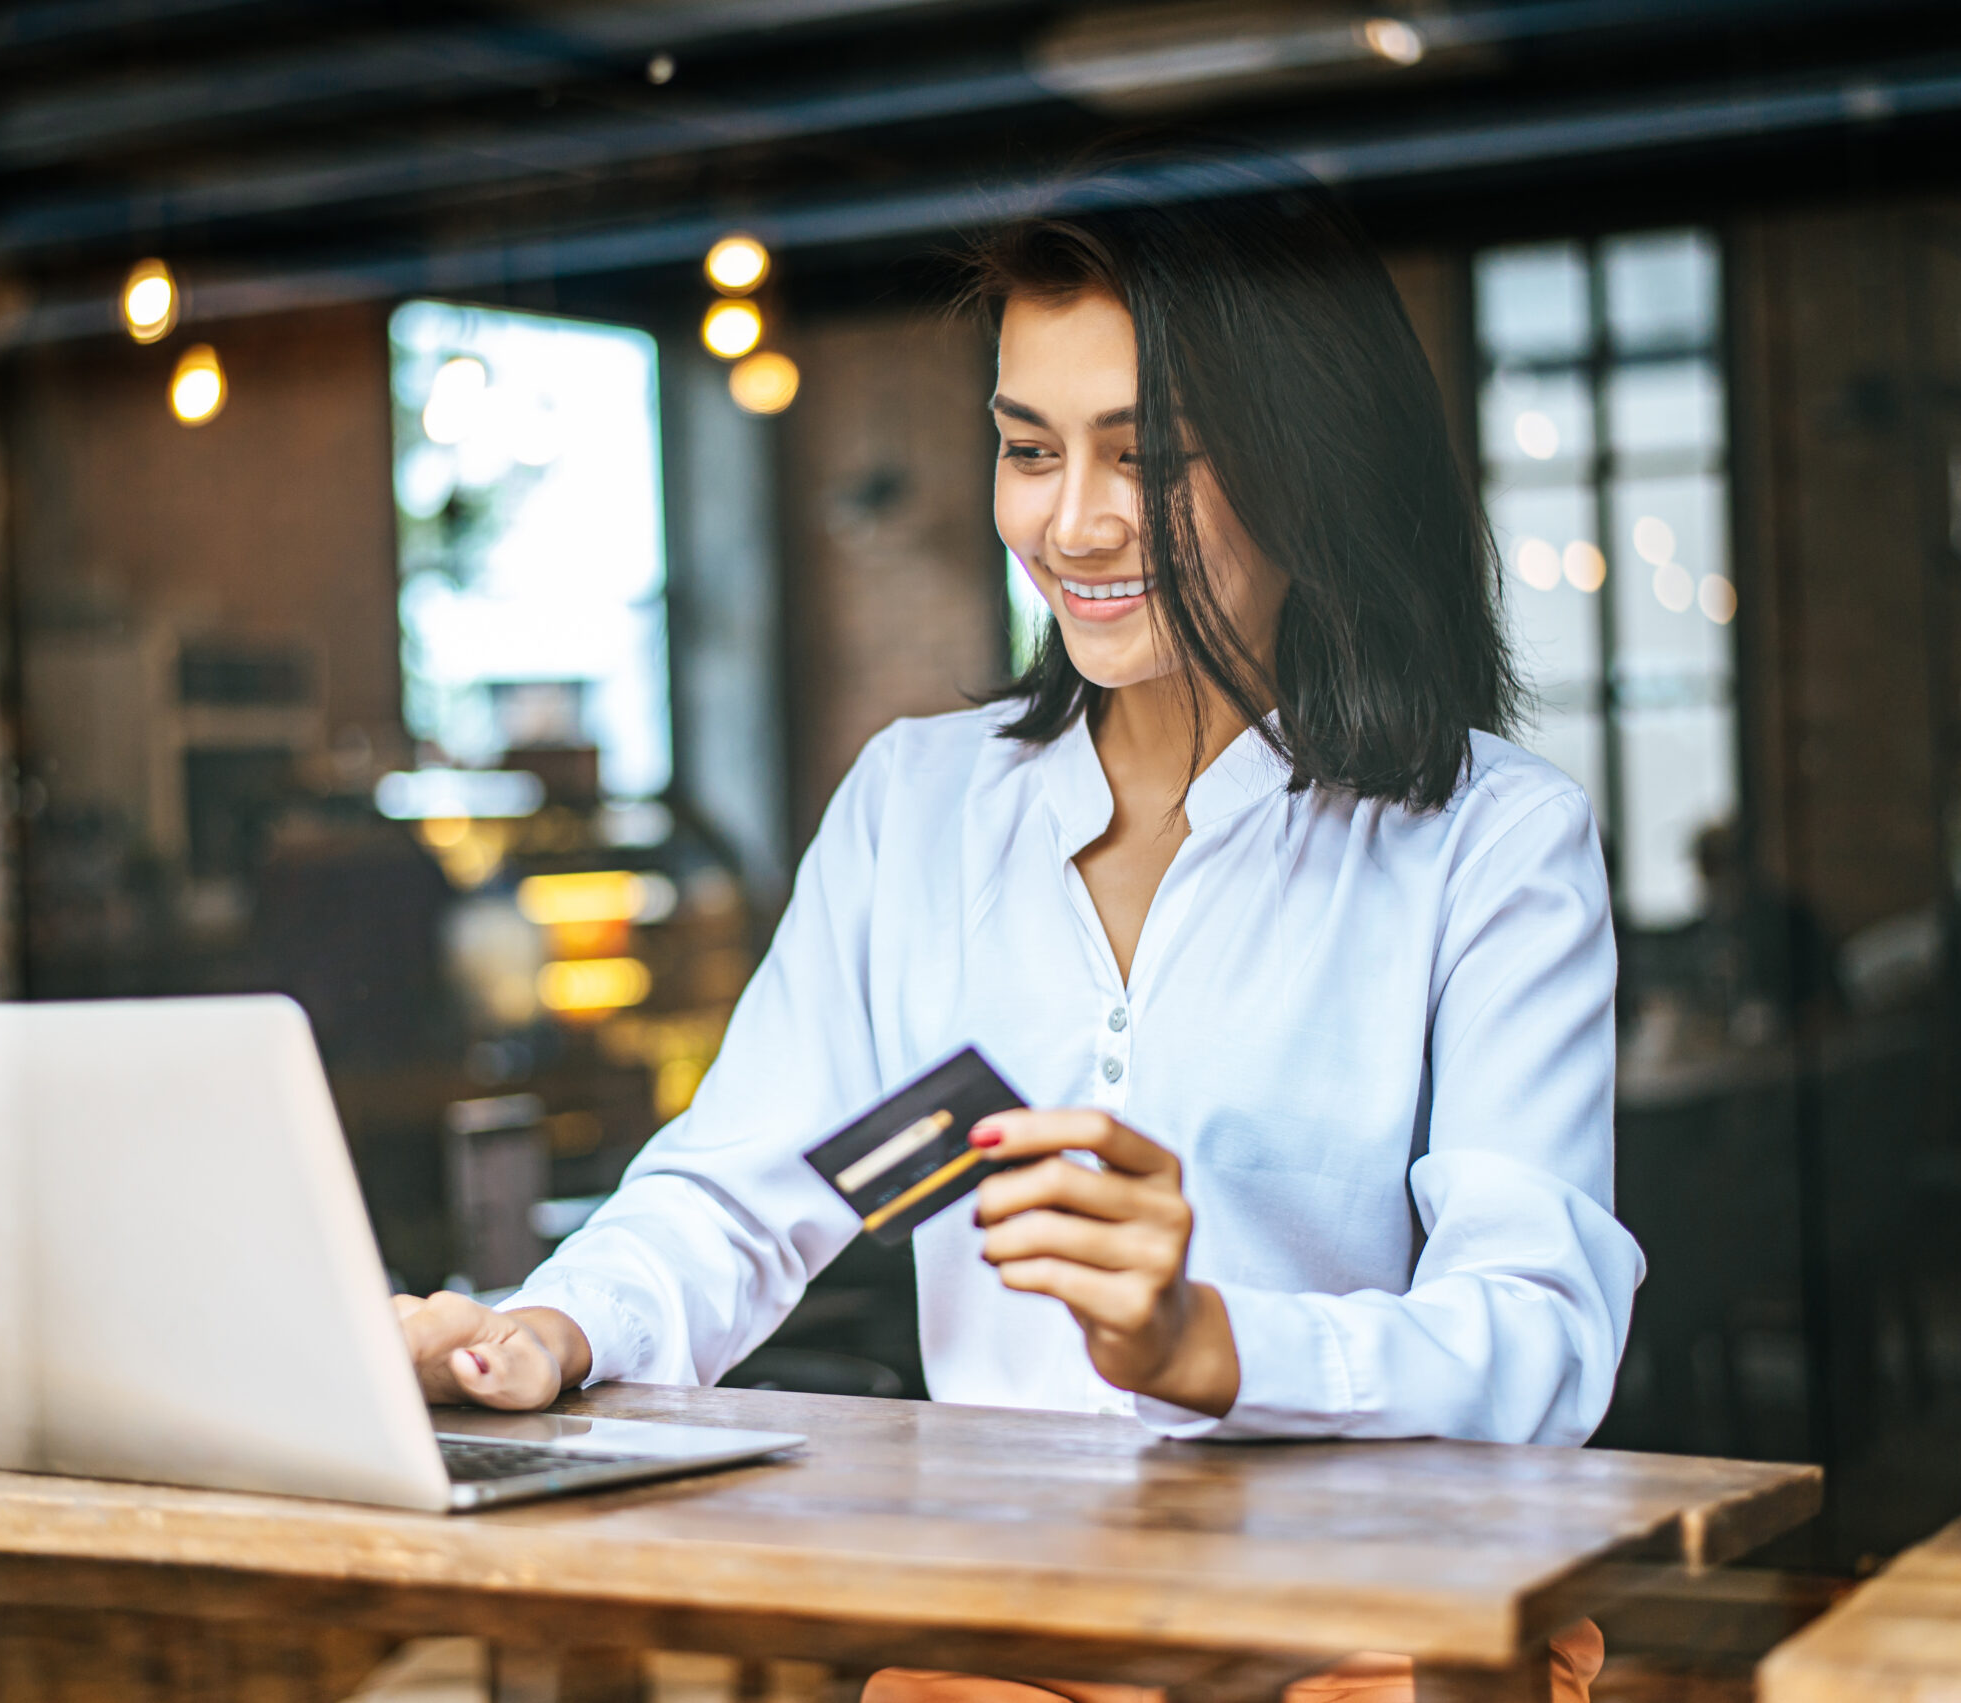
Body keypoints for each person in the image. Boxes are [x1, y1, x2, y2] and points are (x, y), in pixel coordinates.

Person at [394, 157, 1640, 1702]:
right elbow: (742, 1194)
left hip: (1371, 1634)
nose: (1075, 523)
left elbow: (1539, 1331)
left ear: (1312, 468)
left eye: (1148, 457)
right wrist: (550, 1328)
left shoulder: (1488, 842)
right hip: (1012, 1643)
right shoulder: (917, 812)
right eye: (1030, 449)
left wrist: (1216, 1346)